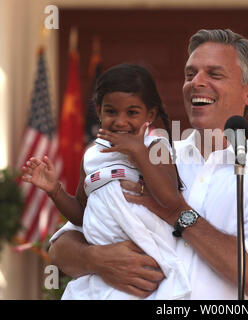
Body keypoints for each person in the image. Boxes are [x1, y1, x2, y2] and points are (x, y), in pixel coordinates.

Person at [48, 29, 248, 300]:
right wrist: (97, 259)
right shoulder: (148, 153)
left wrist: (177, 212)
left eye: (214, 74)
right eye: (190, 74)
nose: (196, 82)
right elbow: (61, 247)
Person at [22, 64, 191, 299]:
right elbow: (82, 215)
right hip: (102, 272)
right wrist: (55, 190)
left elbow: (170, 198)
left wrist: (138, 153)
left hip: (145, 264)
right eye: (111, 112)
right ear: (99, 111)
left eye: (132, 113)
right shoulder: (92, 154)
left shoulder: (156, 148)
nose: (121, 121)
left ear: (150, 115)